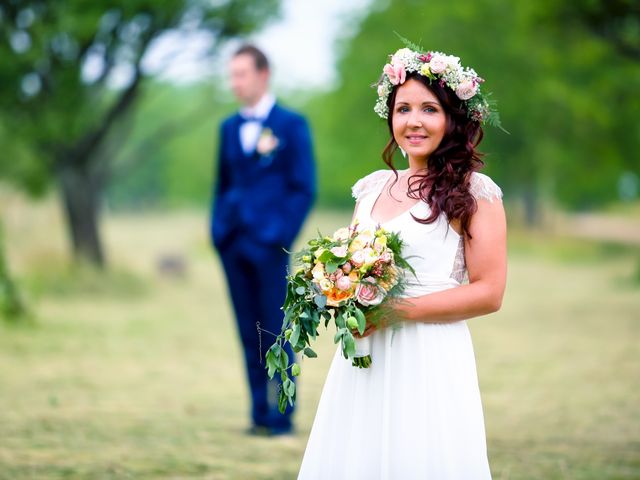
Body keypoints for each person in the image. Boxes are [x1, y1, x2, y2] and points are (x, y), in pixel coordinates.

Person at [297, 45, 507, 478]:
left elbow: (490, 292)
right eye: (403, 108)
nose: (413, 121)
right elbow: (352, 263)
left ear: (453, 119)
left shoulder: (475, 192)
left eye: (429, 109)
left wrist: (395, 311)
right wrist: (335, 286)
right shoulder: (372, 189)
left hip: (430, 354)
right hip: (365, 354)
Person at [210, 45, 316, 437]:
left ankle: (283, 415)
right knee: (245, 329)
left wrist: (280, 235)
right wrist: (218, 230)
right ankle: (257, 413)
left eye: (241, 73)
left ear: (263, 74)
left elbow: (303, 187)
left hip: (270, 245)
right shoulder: (227, 128)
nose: (235, 82)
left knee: (274, 329)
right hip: (233, 242)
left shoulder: (291, 124)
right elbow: (223, 185)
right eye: (232, 74)